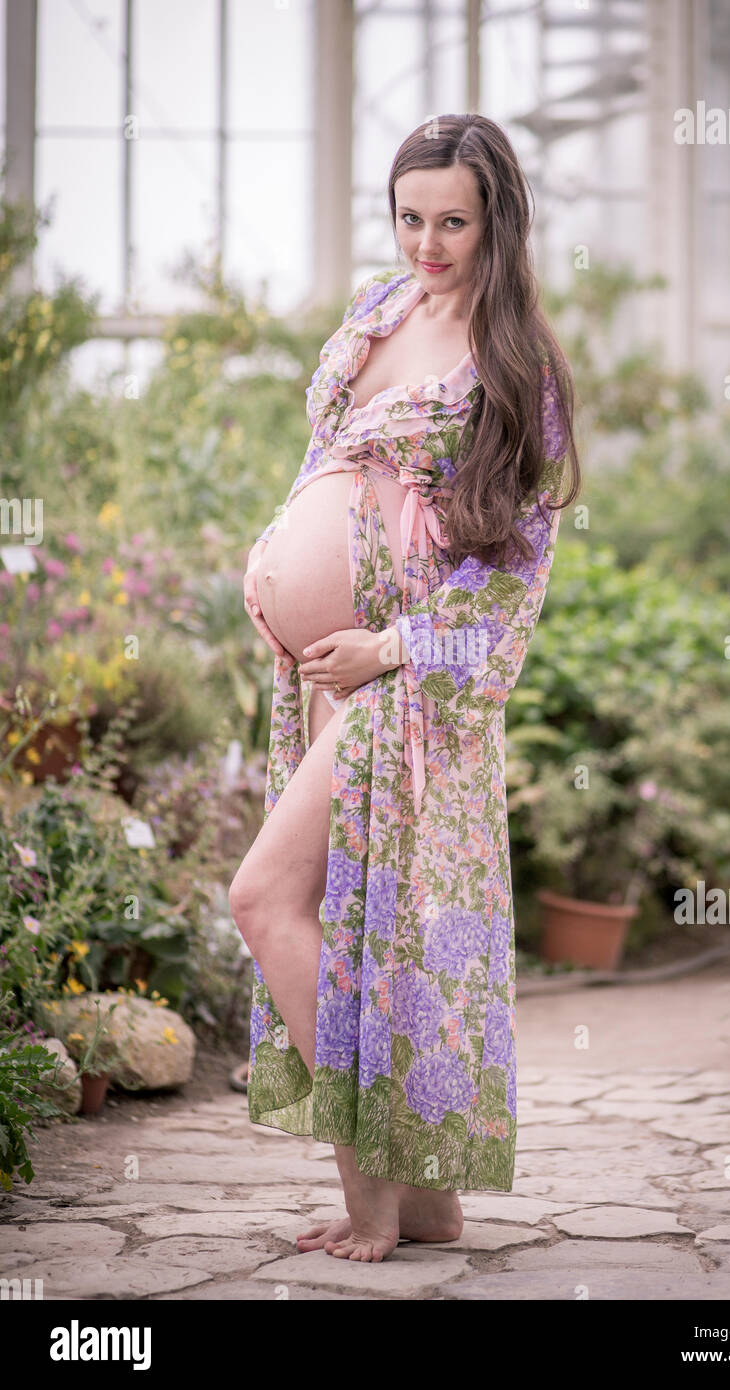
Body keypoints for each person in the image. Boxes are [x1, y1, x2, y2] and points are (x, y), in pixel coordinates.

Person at [229, 112, 580, 1263]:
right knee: (355, 930)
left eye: (453, 222)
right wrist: (271, 554)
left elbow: (515, 577)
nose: (428, 242)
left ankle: (371, 1189)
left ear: (497, 223)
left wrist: (392, 650)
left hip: (408, 688)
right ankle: (425, 1201)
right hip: (328, 683)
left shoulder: (518, 369)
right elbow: (324, 460)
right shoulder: (377, 313)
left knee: (263, 898)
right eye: (409, 217)